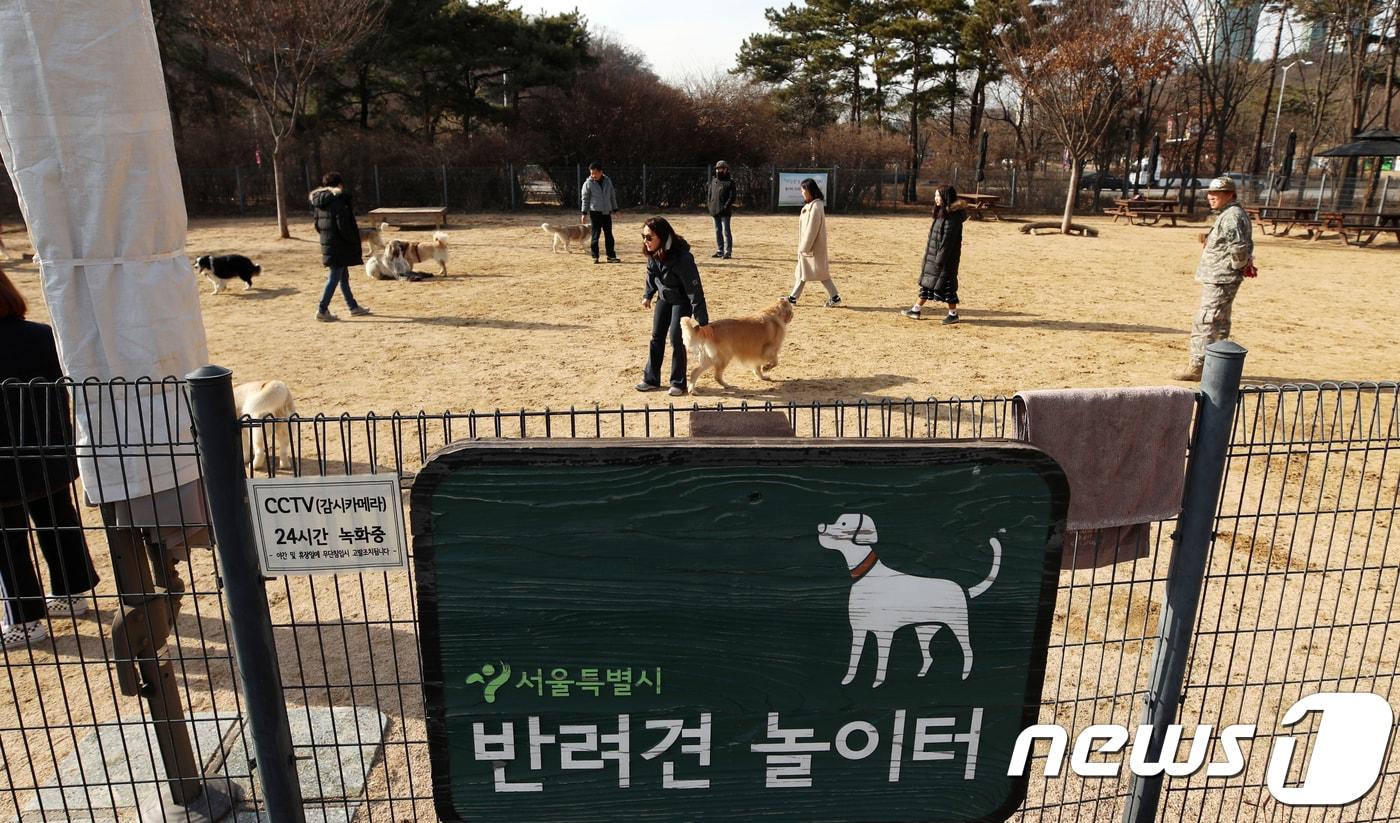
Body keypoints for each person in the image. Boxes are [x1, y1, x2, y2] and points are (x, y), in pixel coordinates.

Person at [0, 267, 100, 649]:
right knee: (57, 518)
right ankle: (73, 593)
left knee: (7, 538)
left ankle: (25, 619)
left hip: (5, 463)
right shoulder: (43, 335)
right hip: (49, 453)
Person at [1176, 176, 1254, 381]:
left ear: (1230, 195)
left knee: (1207, 320)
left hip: (1221, 277)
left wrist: (1241, 265)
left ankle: (1198, 365)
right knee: (1219, 322)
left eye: (1217, 194)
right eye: (1210, 193)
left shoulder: (1231, 216)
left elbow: (1238, 248)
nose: (1211, 197)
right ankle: (1218, 366)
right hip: (1223, 276)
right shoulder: (1231, 214)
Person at [637, 217, 709, 397]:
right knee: (656, 336)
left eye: (649, 237)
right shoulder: (653, 253)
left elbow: (694, 289)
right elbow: (651, 274)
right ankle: (651, 379)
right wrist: (648, 294)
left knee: (676, 338)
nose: (645, 241)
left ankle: (678, 382)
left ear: (661, 236)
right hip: (664, 298)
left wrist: (703, 320)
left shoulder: (683, 258)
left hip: (681, 301)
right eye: (643, 237)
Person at [309, 172, 371, 322]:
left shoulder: (319, 203)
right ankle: (322, 310)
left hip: (329, 244)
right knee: (335, 277)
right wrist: (353, 240)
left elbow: (317, 225)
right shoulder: (339, 202)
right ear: (340, 185)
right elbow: (344, 226)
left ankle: (353, 307)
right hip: (339, 245)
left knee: (343, 276)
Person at [903, 184, 967, 324]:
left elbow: (948, 242)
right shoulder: (942, 213)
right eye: (935, 195)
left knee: (948, 287)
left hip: (945, 260)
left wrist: (939, 260)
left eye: (938, 196)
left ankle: (953, 314)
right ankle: (916, 309)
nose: (936, 198)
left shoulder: (953, 217)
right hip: (935, 257)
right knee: (927, 284)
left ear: (946, 197)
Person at [787, 178, 842, 307]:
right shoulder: (812, 205)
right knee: (803, 272)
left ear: (809, 190)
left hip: (813, 247)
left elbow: (812, 228)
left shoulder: (816, 206)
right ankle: (793, 297)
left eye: (803, 190)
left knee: (819, 273)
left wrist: (804, 246)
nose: (802, 192)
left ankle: (835, 297)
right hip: (810, 246)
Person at [581, 161, 621, 264]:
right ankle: (595, 257)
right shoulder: (588, 183)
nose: (593, 175)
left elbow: (612, 196)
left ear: (601, 172)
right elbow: (585, 199)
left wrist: (615, 209)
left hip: (606, 212)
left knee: (609, 235)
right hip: (595, 212)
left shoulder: (608, 181)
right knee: (595, 235)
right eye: (591, 173)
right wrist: (584, 213)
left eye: (595, 173)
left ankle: (611, 257)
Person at [707, 161, 735, 258]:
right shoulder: (714, 181)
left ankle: (728, 252)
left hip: (725, 212)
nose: (719, 170)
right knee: (717, 231)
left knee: (726, 231)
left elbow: (732, 197)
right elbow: (710, 195)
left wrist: (725, 206)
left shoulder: (730, 182)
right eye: (717, 169)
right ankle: (720, 250)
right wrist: (710, 206)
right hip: (715, 210)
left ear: (726, 169)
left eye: (721, 168)